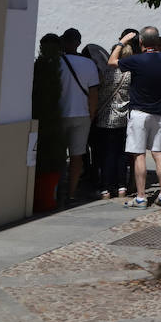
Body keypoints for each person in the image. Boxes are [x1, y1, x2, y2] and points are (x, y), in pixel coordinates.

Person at [109, 31, 161, 208]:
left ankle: (141, 197)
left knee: (139, 155)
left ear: (141, 41)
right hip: (158, 112)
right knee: (158, 153)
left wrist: (122, 42)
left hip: (139, 112)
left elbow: (112, 61)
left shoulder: (136, 60)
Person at [58, 29, 100, 202]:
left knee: (59, 155)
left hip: (60, 114)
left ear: (63, 42)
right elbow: (93, 92)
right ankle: (72, 192)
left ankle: (58, 190)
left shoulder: (56, 62)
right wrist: (91, 114)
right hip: (82, 114)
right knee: (77, 156)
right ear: (79, 43)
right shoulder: (89, 64)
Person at [89, 35, 133, 199]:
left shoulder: (107, 72)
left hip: (105, 118)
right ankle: (121, 186)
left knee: (106, 154)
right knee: (121, 153)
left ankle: (106, 188)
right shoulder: (131, 74)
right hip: (123, 118)